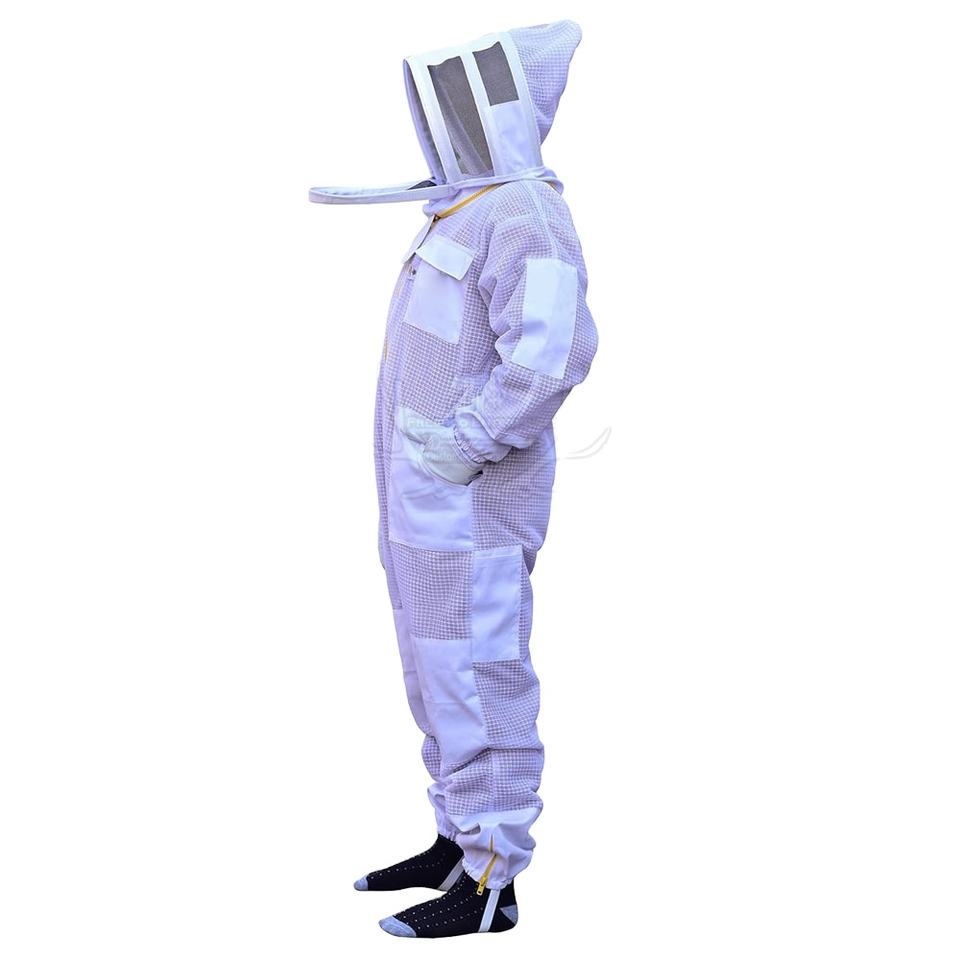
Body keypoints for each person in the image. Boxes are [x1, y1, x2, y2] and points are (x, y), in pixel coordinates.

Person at [309, 19, 599, 938]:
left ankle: (492, 881)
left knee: (478, 676)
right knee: (436, 674)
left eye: (466, 104)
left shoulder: (525, 214)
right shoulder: (465, 210)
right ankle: (457, 840)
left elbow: (552, 352)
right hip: (425, 505)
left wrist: (470, 440)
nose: (446, 122)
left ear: (500, 107)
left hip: (473, 507)